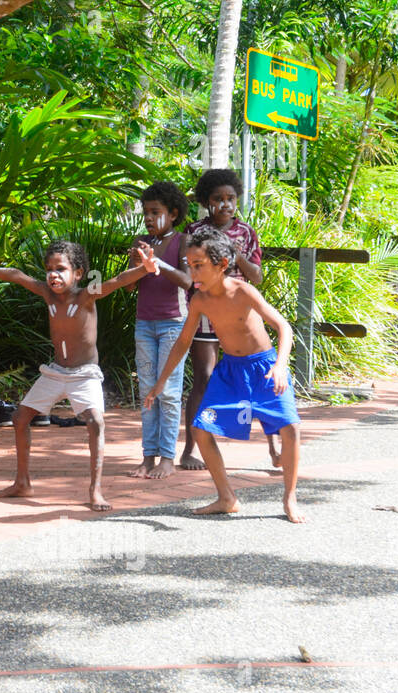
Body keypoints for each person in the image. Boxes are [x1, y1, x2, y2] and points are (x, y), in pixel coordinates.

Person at [0, 240, 157, 511]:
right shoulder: (46, 293)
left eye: (61, 269)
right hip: (55, 372)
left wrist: (144, 270)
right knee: (20, 418)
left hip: (84, 374)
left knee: (96, 423)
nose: (53, 274)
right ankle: (22, 482)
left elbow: (116, 280)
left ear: (78, 273)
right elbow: (16, 275)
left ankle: (95, 489)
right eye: (49, 269)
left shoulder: (86, 294)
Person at [144, 226, 304, 523]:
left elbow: (284, 327)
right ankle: (226, 497)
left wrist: (280, 366)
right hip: (230, 371)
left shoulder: (243, 291)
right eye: (190, 266)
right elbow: (183, 342)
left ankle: (290, 497)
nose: (193, 274)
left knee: (291, 428)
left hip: (264, 368)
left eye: (199, 266)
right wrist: (161, 382)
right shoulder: (200, 300)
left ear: (221, 265)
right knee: (200, 429)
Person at [179, 168, 268, 470]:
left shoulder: (246, 233)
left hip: (238, 315)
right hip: (204, 312)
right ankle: (190, 449)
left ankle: (274, 445)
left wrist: (237, 254)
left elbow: (255, 275)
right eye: (218, 199)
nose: (226, 204)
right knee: (203, 377)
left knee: (254, 377)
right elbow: (189, 275)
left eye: (231, 198)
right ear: (206, 201)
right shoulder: (193, 231)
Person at [126, 181, 192, 479]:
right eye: (146, 213)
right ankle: (148, 456)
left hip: (173, 325)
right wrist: (137, 264)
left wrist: (157, 263)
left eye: (156, 212)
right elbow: (129, 287)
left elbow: (188, 281)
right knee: (146, 392)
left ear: (173, 213)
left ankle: (167, 457)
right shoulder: (141, 242)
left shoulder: (183, 241)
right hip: (144, 324)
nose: (149, 218)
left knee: (168, 391)